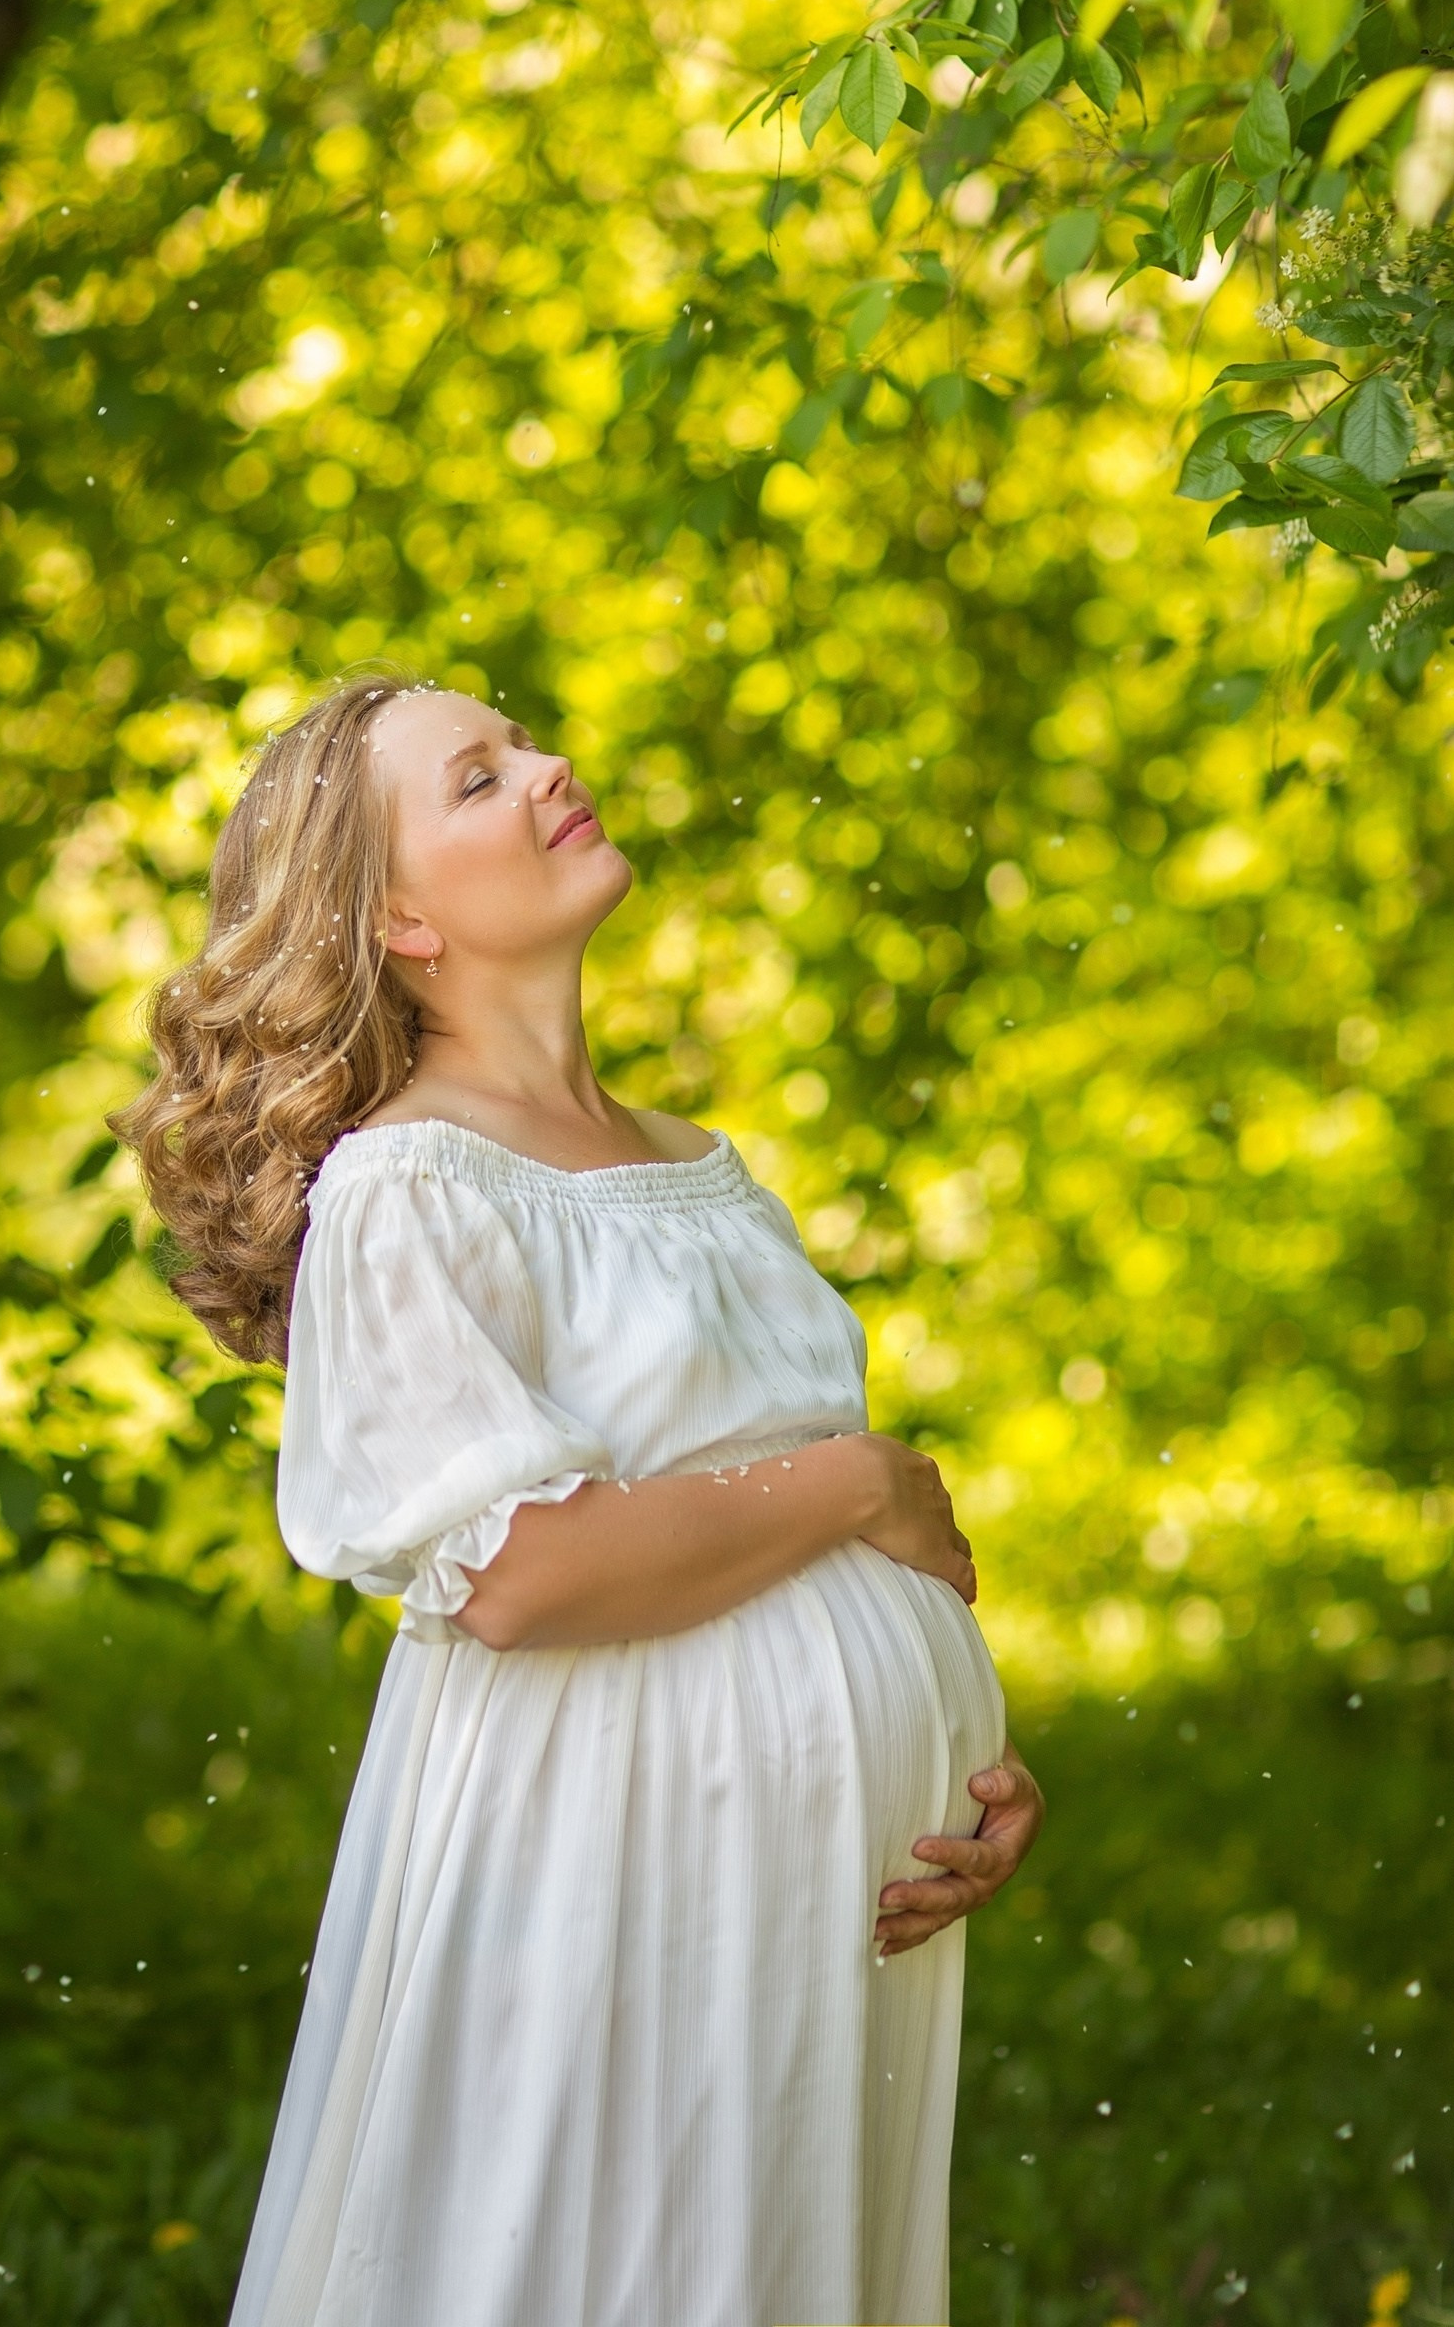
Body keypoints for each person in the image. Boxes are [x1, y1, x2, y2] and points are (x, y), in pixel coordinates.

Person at [114, 672, 1044, 2327]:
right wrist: (863, 1484)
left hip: (820, 1909)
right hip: (611, 1865)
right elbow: (529, 1573)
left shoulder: (693, 1159)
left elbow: (742, 1504)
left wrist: (957, 1762)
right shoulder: (408, 1185)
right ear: (398, 919)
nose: (547, 768)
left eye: (521, 743)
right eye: (477, 777)